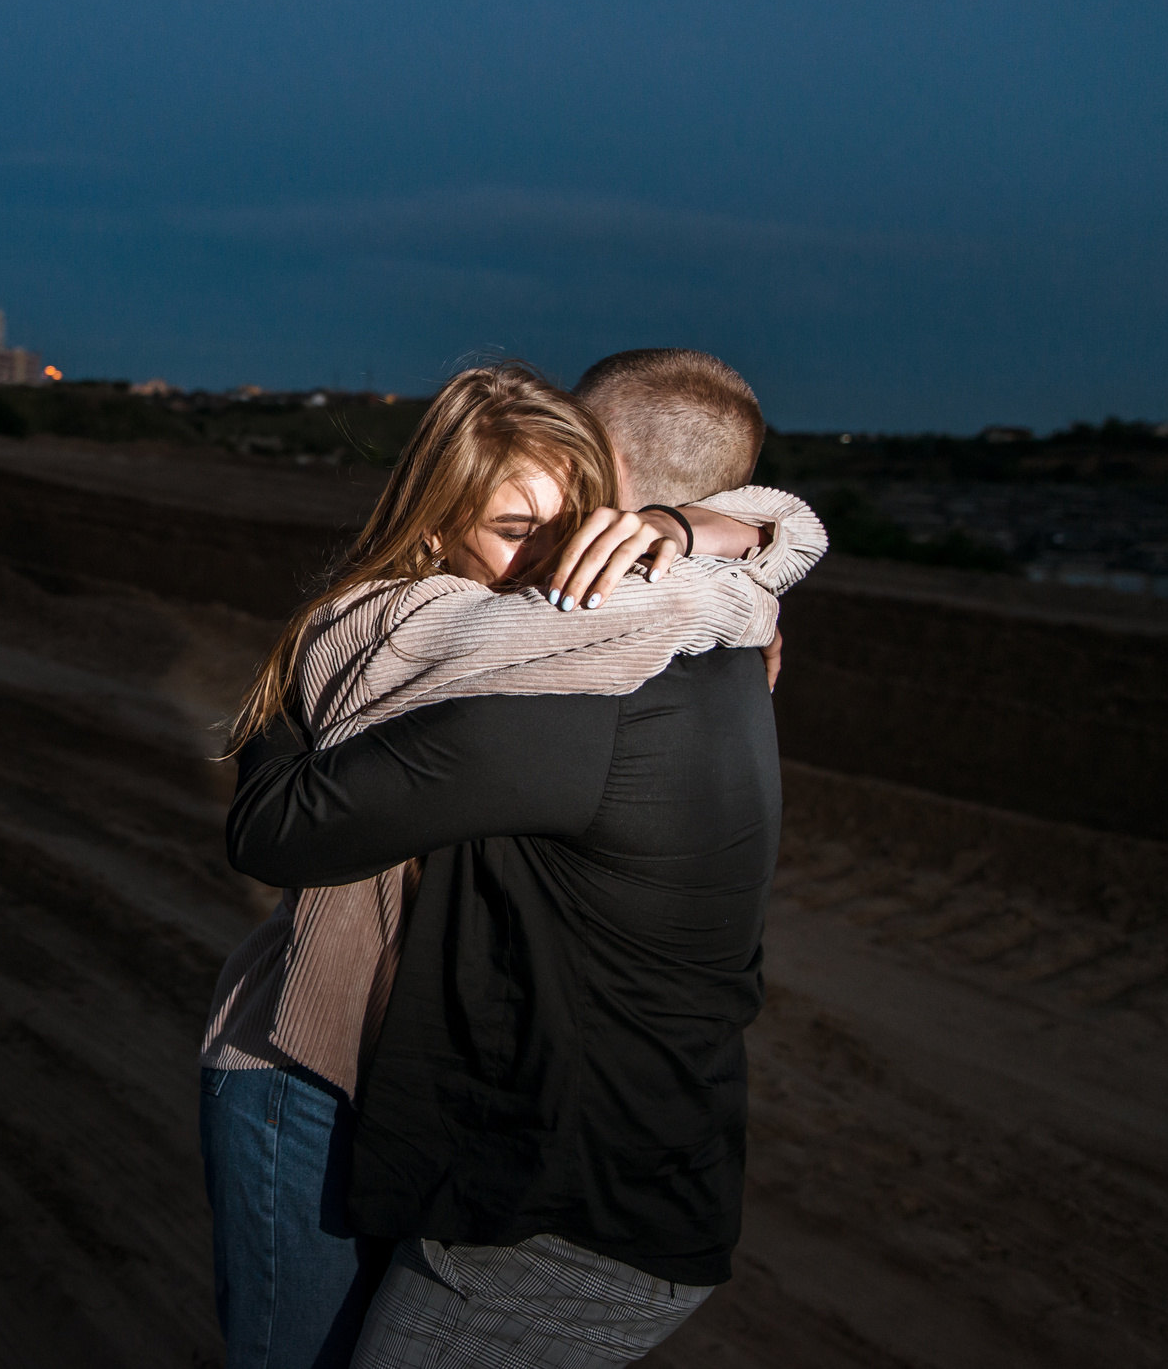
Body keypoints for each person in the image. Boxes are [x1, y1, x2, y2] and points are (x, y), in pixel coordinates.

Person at [198, 359, 823, 1369]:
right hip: (334, 1075)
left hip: (560, 1205)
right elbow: (775, 538)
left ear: (612, 494)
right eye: (519, 515)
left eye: (575, 488)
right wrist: (731, 545)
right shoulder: (710, 629)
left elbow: (274, 824)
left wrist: (303, 670)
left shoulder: (576, 677)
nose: (552, 542)